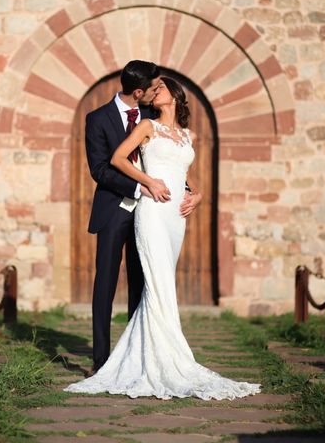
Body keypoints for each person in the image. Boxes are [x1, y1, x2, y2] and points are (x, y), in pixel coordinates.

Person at [65, 77, 261, 400]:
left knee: (162, 285)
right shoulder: (146, 127)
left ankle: (154, 355)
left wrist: (196, 196)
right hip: (152, 213)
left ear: (175, 97)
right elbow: (116, 159)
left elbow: (183, 177)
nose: (154, 93)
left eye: (160, 90)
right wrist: (147, 182)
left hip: (175, 220)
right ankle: (156, 360)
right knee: (157, 286)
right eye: (152, 90)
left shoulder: (188, 136)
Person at [84, 60, 165, 375]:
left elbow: (162, 160)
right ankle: (101, 361)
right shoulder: (97, 119)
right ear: (139, 91)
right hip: (113, 208)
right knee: (104, 283)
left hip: (149, 213)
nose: (157, 93)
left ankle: (135, 358)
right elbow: (99, 169)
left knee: (141, 282)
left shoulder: (151, 117)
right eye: (153, 88)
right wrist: (137, 187)